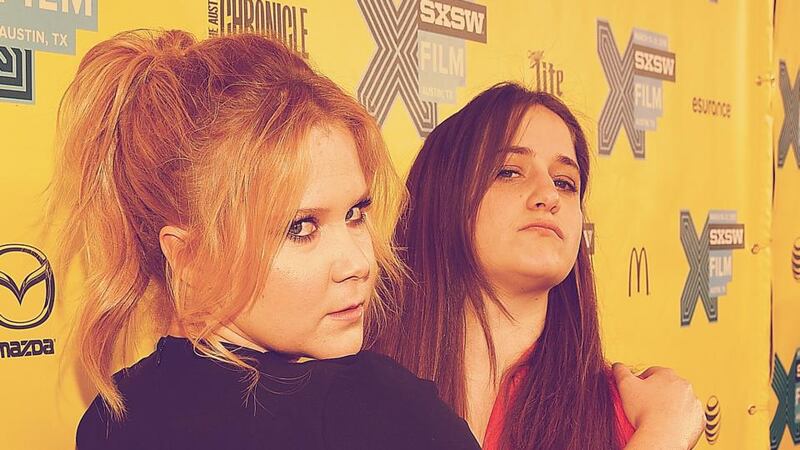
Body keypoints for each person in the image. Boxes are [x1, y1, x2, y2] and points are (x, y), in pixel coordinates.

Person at [50, 29, 481, 450]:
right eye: (302, 228)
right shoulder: (385, 411)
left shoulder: (112, 418)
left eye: (355, 214)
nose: (359, 262)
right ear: (190, 257)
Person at [377, 83, 704, 449]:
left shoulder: (628, 415)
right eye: (509, 172)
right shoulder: (347, 392)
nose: (549, 195)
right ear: (442, 195)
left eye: (565, 183)